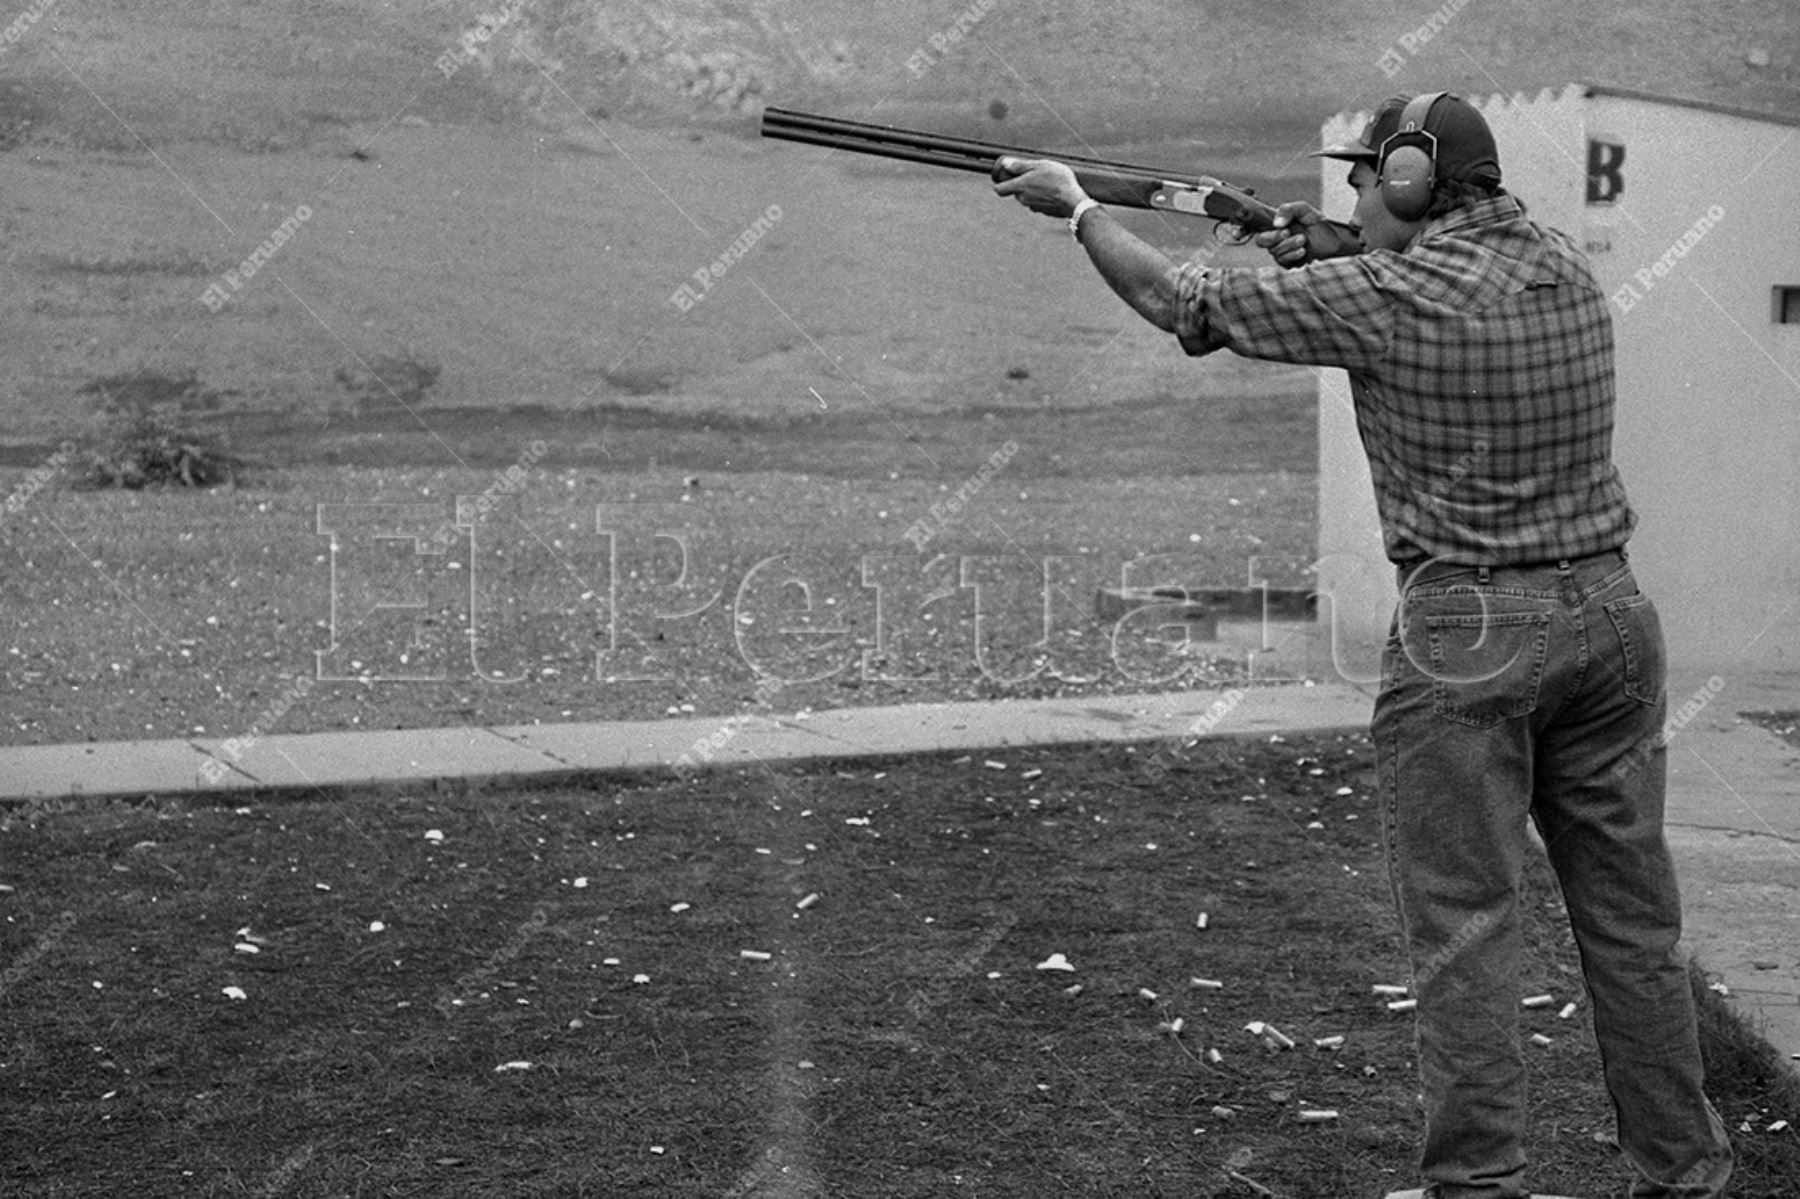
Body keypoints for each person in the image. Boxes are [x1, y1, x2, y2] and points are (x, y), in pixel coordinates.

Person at [994, 92, 1735, 1199]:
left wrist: (1078, 208)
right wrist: (1306, 239)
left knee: (1466, 931)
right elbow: (1425, 269)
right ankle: (1685, 1171)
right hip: (1612, 620)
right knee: (1633, 926)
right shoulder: (1564, 265)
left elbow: (1175, 301)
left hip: (1471, 631)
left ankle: (1480, 1184)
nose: (1349, 191)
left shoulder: (1383, 297)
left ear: (1410, 183)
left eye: (1364, 177)